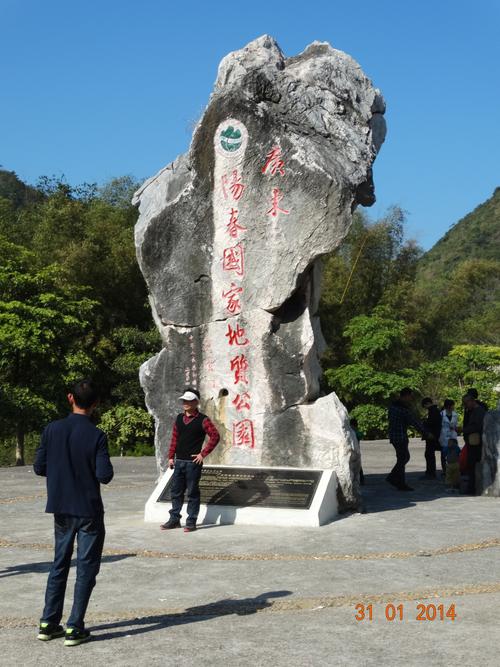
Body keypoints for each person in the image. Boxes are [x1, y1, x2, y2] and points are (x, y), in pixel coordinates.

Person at [34, 379, 113, 646]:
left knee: (59, 564)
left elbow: (39, 467)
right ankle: (74, 627)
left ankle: (48, 622)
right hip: (88, 510)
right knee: (86, 568)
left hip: (61, 508)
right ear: (96, 404)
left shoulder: (52, 429)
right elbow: (105, 475)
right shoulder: (97, 435)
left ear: (70, 398)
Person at [161, 388, 220, 532]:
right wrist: (170, 457)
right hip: (179, 461)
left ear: (196, 402)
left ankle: (191, 521)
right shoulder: (179, 418)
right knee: (176, 492)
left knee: (192, 493)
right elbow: (175, 438)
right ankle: (174, 519)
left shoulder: (203, 420)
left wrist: (203, 454)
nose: (185, 403)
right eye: (184, 400)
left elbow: (215, 436)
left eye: (189, 400)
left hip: (193, 463)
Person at [387, 387, 428, 491]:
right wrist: (426, 433)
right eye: (410, 396)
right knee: (403, 458)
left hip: (394, 436)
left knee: (403, 458)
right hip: (400, 436)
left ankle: (397, 480)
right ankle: (395, 479)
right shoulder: (402, 409)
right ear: (405, 396)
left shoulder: (393, 406)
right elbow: (414, 422)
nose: (411, 399)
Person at [462, 392, 487, 495]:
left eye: (466, 403)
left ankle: (472, 488)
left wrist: (464, 430)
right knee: (471, 465)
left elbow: (477, 426)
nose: (465, 405)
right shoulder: (474, 411)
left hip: (477, 442)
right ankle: (472, 487)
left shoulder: (479, 411)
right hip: (473, 441)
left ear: (472, 401)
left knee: (472, 465)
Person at [420, 398, 443, 480]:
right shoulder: (434, 410)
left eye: (425, 406)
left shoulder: (433, 411)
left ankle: (430, 473)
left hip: (432, 436)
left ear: (427, 403)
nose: (425, 408)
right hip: (434, 435)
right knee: (429, 454)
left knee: (429, 455)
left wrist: (424, 422)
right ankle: (430, 472)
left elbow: (432, 423)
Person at [350, 417, 365, 485]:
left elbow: (361, 435)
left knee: (357, 466)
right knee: (358, 466)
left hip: (355, 451)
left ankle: (360, 479)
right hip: (356, 450)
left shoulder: (353, 432)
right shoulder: (355, 431)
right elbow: (361, 435)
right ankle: (360, 479)